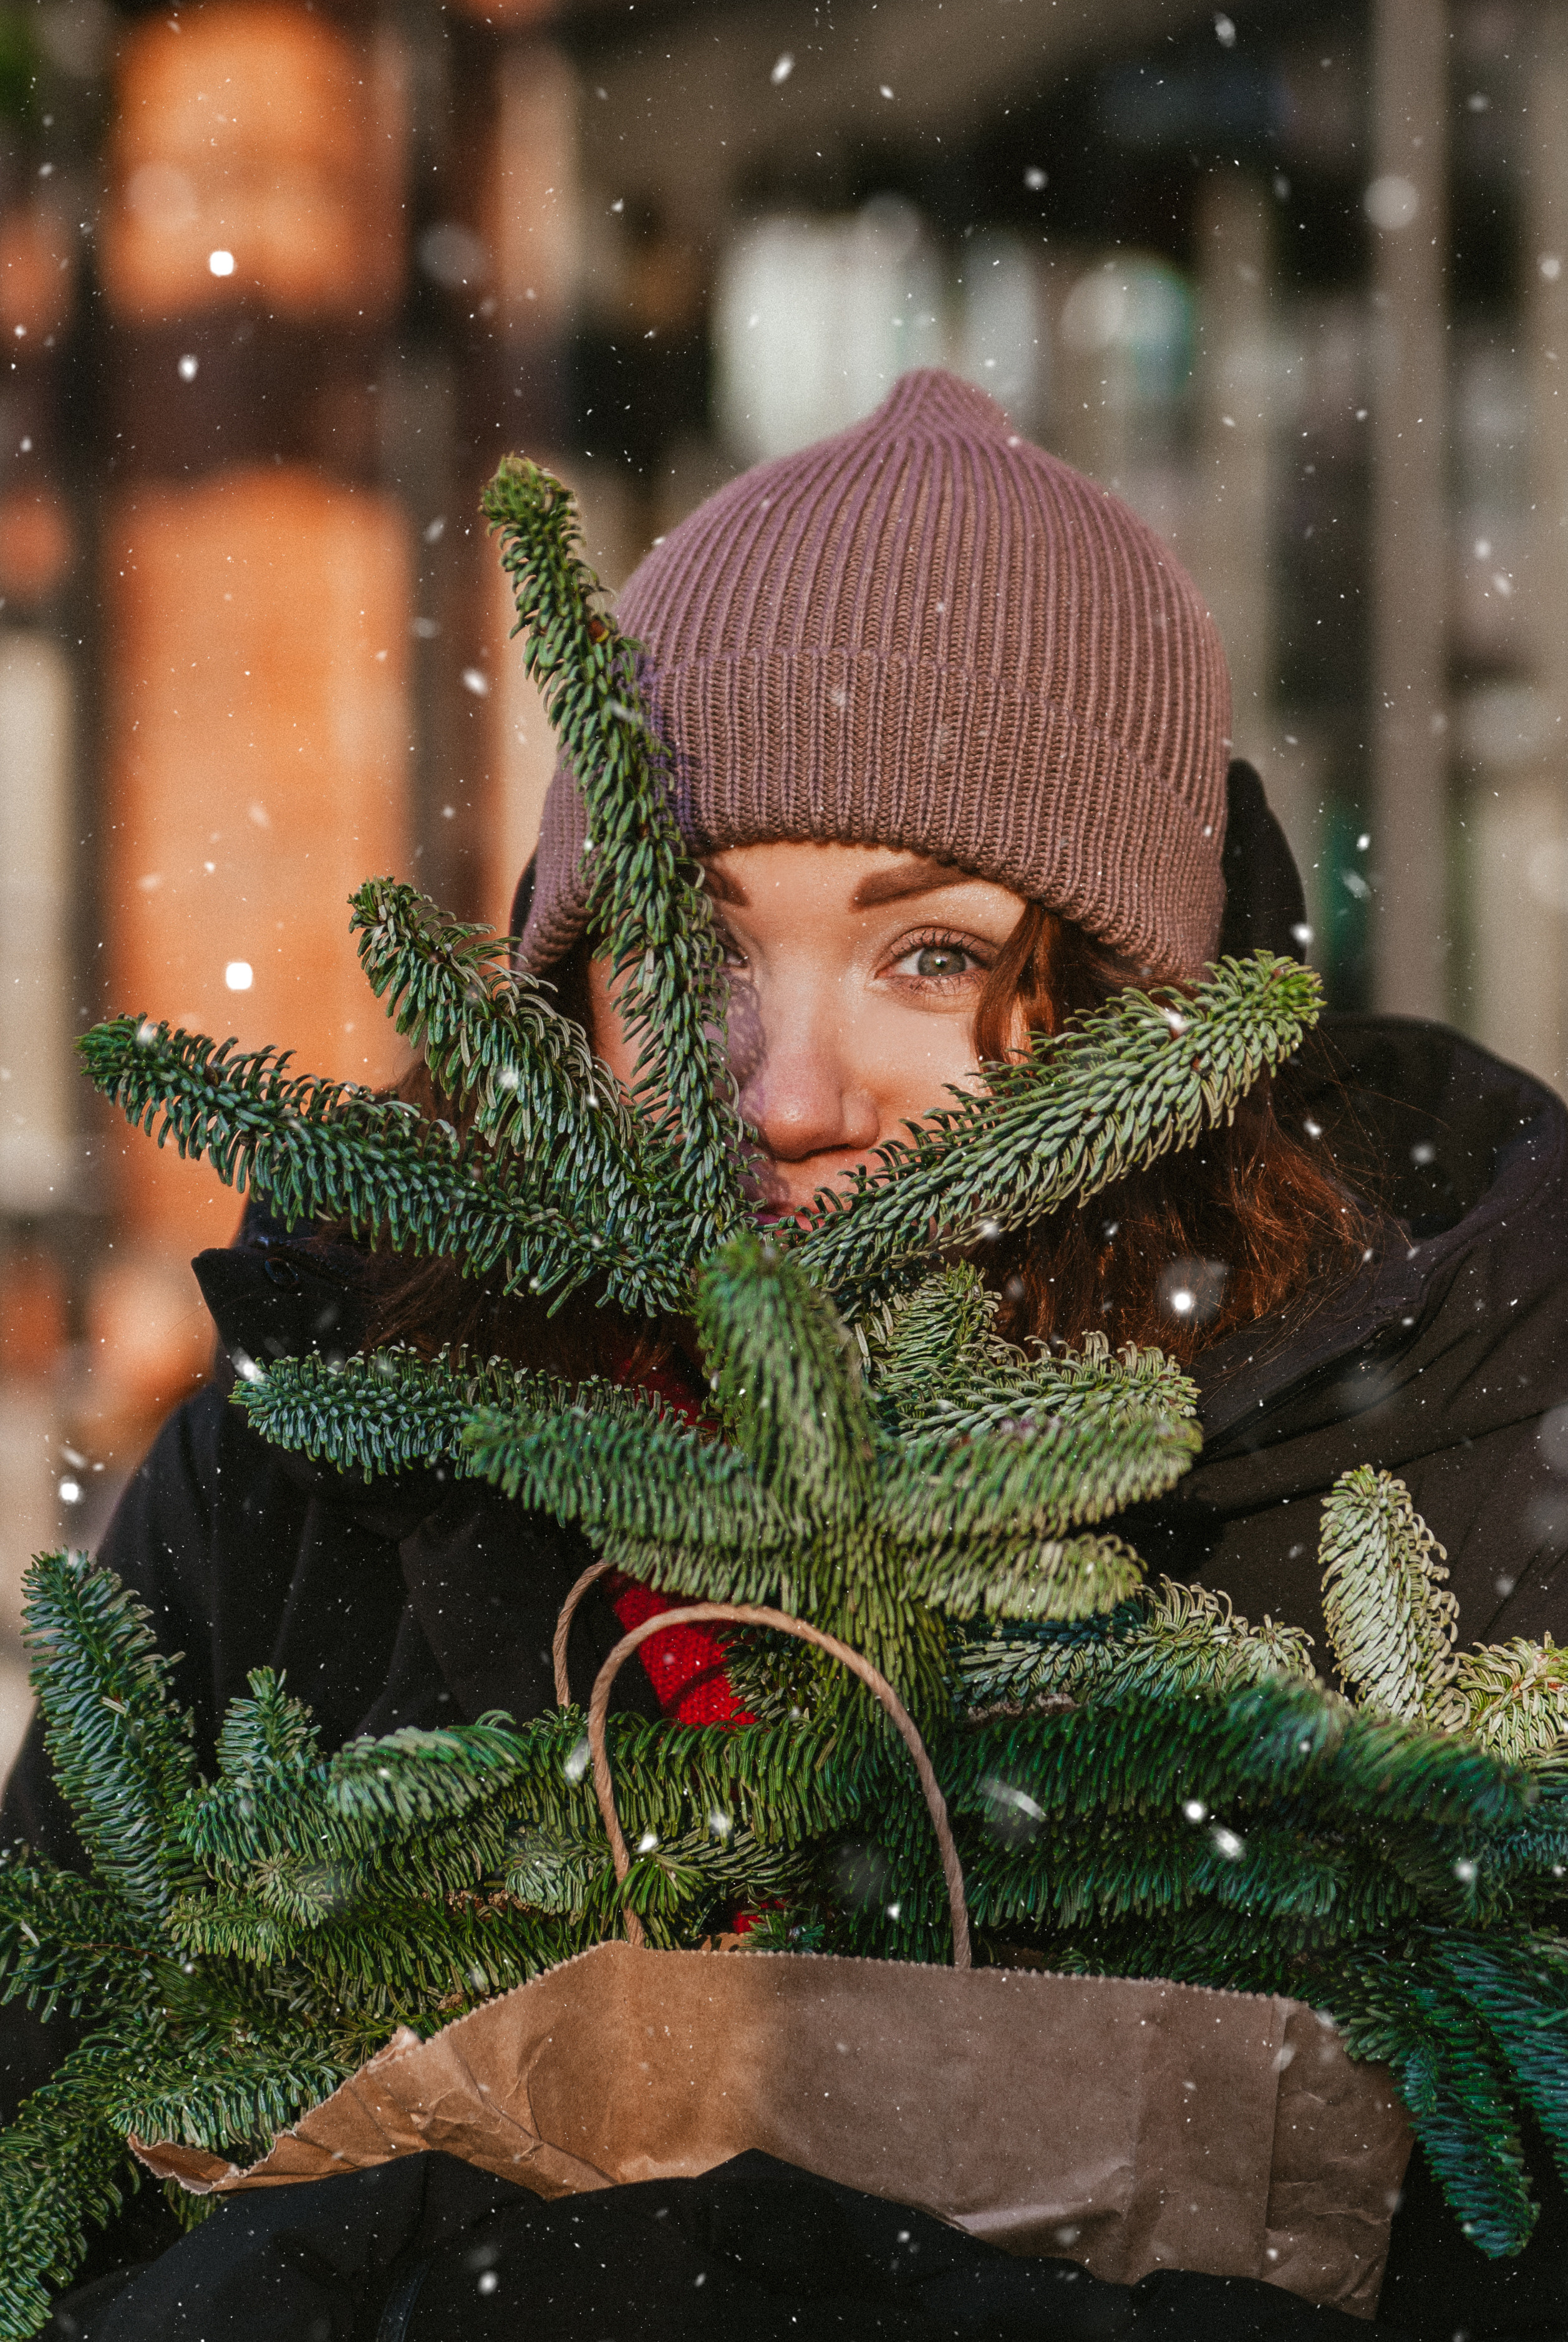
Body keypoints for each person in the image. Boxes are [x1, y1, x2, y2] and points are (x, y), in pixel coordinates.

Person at [14, 369, 1568, 2335]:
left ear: (1133, 1007)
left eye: (928, 955)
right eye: (695, 955)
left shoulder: (1435, 1457)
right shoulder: (328, 1445)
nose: (790, 1090)